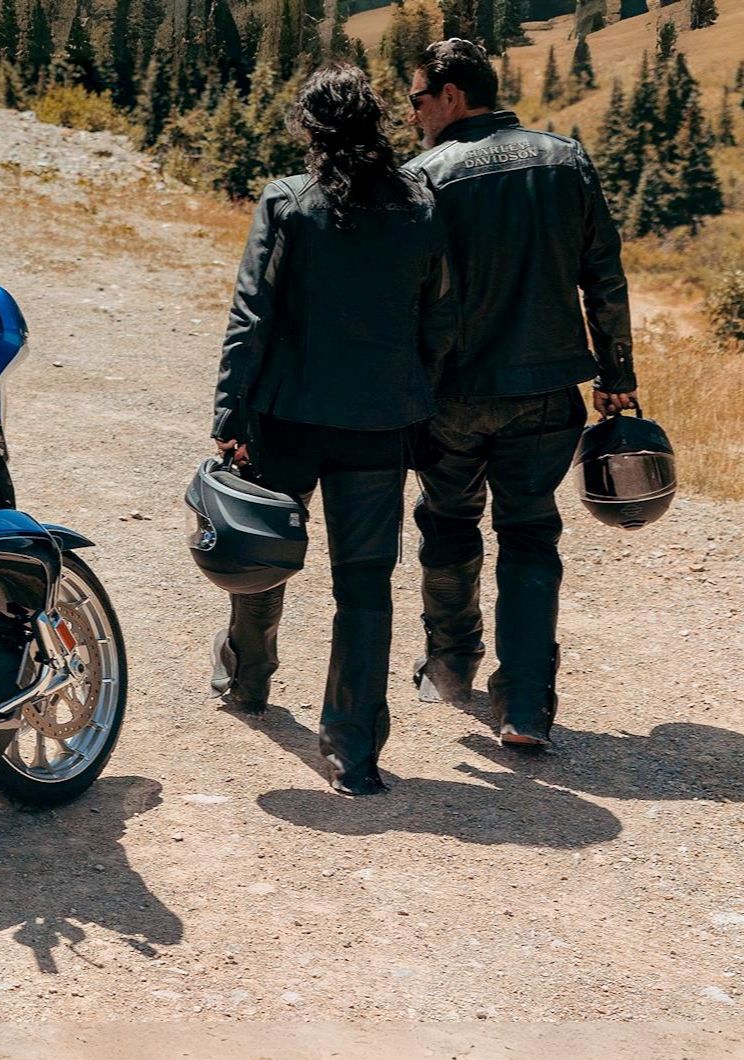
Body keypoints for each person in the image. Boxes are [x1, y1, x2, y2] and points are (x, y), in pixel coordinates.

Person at [210, 64, 457, 796]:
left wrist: (230, 412)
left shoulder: (288, 202)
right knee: (365, 584)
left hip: (287, 414)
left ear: (312, 132)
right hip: (379, 423)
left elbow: (250, 316)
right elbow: (440, 315)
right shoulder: (417, 204)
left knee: (263, 554)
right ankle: (353, 749)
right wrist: (418, 388)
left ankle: (248, 679)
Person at [405, 39, 638, 749]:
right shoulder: (565, 159)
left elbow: (407, 296)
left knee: (448, 524)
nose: (413, 115)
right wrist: (617, 374)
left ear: (451, 97)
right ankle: (526, 704)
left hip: (452, 394)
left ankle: (450, 663)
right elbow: (604, 273)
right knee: (531, 534)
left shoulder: (423, 175)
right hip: (545, 391)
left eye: (418, 100)